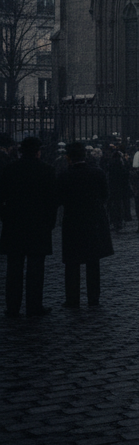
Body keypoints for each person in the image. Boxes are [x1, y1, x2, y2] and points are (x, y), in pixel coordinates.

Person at [0, 136, 58, 317]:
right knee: (36, 268)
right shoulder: (47, 170)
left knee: (14, 268)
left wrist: (5, 217)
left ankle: (12, 306)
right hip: (38, 224)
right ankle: (34, 305)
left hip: (14, 223)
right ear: (38, 151)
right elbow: (52, 201)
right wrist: (50, 222)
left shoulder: (10, 170)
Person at [56, 141, 115, 307]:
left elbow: (58, 199)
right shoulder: (97, 173)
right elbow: (105, 195)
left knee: (72, 263)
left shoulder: (64, 175)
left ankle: (72, 299)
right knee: (93, 262)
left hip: (73, 221)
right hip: (93, 221)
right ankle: (93, 297)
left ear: (69, 157)